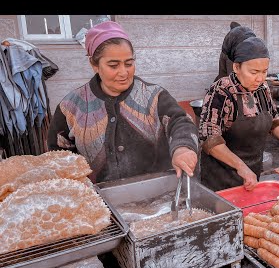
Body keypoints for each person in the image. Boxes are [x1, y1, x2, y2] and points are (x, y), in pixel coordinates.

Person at [47, 21, 199, 183]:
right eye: (113, 65)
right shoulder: (71, 107)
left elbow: (180, 121)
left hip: (155, 196)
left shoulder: (153, 96)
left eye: (129, 63)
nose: (124, 72)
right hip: (99, 202)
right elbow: (59, 155)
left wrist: (183, 148)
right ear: (94, 64)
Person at [199, 26, 279, 192]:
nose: (260, 78)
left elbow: (274, 120)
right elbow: (209, 140)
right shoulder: (221, 91)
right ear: (236, 67)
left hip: (252, 176)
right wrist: (240, 166)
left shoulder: (263, 88)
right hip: (220, 180)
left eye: (264, 71)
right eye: (254, 72)